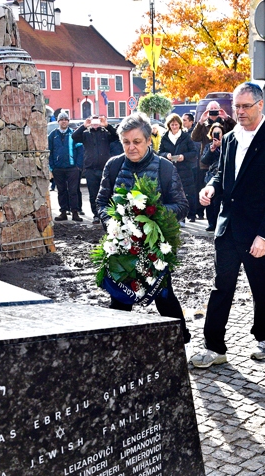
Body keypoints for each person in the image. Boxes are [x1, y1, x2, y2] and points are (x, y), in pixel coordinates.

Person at [191, 82, 265, 368]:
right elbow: (222, 172)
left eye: (246, 106)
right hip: (228, 226)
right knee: (221, 286)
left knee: (261, 287)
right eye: (236, 106)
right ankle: (214, 347)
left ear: (261, 105)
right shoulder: (232, 137)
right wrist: (211, 187)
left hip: (257, 230)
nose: (240, 111)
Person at [95, 112, 191, 344]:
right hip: (122, 247)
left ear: (149, 141)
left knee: (164, 297)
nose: (131, 147)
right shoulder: (114, 165)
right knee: (119, 300)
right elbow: (101, 202)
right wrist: (112, 224)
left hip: (154, 247)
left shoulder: (165, 168)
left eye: (137, 142)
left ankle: (181, 340)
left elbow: (182, 206)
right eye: (126, 142)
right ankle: (118, 348)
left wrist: (151, 213)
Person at [72, 115, 118, 223]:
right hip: (90, 169)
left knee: (107, 192)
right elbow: (74, 136)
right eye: (94, 120)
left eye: (98, 121)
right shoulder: (85, 134)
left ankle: (107, 214)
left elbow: (117, 136)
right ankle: (96, 215)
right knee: (93, 194)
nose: (96, 123)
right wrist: (84, 126)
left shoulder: (105, 133)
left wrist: (107, 125)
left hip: (104, 168)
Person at [157, 114, 198, 221]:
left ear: (179, 125)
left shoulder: (185, 137)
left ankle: (191, 215)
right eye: (172, 125)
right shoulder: (165, 137)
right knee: (173, 194)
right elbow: (159, 153)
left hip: (185, 170)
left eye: (176, 124)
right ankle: (178, 218)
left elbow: (193, 152)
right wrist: (166, 155)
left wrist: (183, 156)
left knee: (188, 193)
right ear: (169, 125)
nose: (174, 127)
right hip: (170, 169)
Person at [49, 114, 82, 222]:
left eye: (66, 120)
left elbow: (80, 150)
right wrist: (52, 167)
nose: (63, 121)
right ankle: (63, 212)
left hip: (72, 168)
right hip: (58, 168)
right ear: (58, 121)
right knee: (61, 191)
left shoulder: (74, 134)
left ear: (68, 121)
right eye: (61, 120)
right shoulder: (52, 135)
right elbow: (49, 151)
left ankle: (75, 212)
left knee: (73, 191)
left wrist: (78, 166)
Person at [199, 122, 224, 232]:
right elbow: (204, 161)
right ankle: (211, 223)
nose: (217, 135)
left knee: (219, 202)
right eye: (215, 133)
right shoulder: (209, 146)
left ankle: (219, 223)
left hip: (222, 176)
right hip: (211, 176)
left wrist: (221, 146)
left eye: (219, 133)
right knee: (209, 201)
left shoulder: (227, 145)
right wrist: (211, 150)